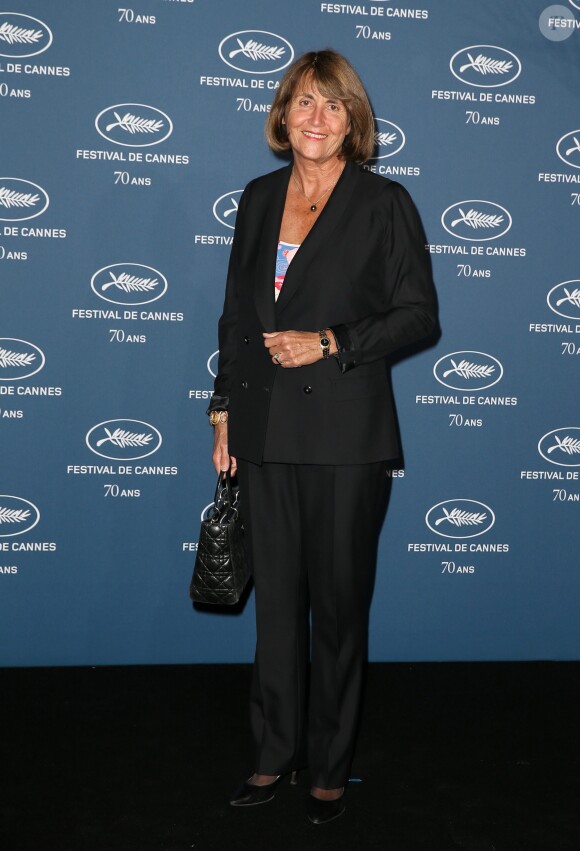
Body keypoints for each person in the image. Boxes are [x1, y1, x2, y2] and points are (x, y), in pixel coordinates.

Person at [207, 49, 438, 824]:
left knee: (337, 612)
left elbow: (418, 315)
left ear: (354, 122)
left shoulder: (383, 204)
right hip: (265, 427)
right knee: (277, 611)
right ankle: (273, 756)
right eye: (304, 102)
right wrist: (223, 412)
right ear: (282, 113)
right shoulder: (257, 196)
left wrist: (331, 339)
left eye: (333, 106)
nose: (316, 118)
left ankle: (329, 767)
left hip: (345, 434)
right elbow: (237, 317)